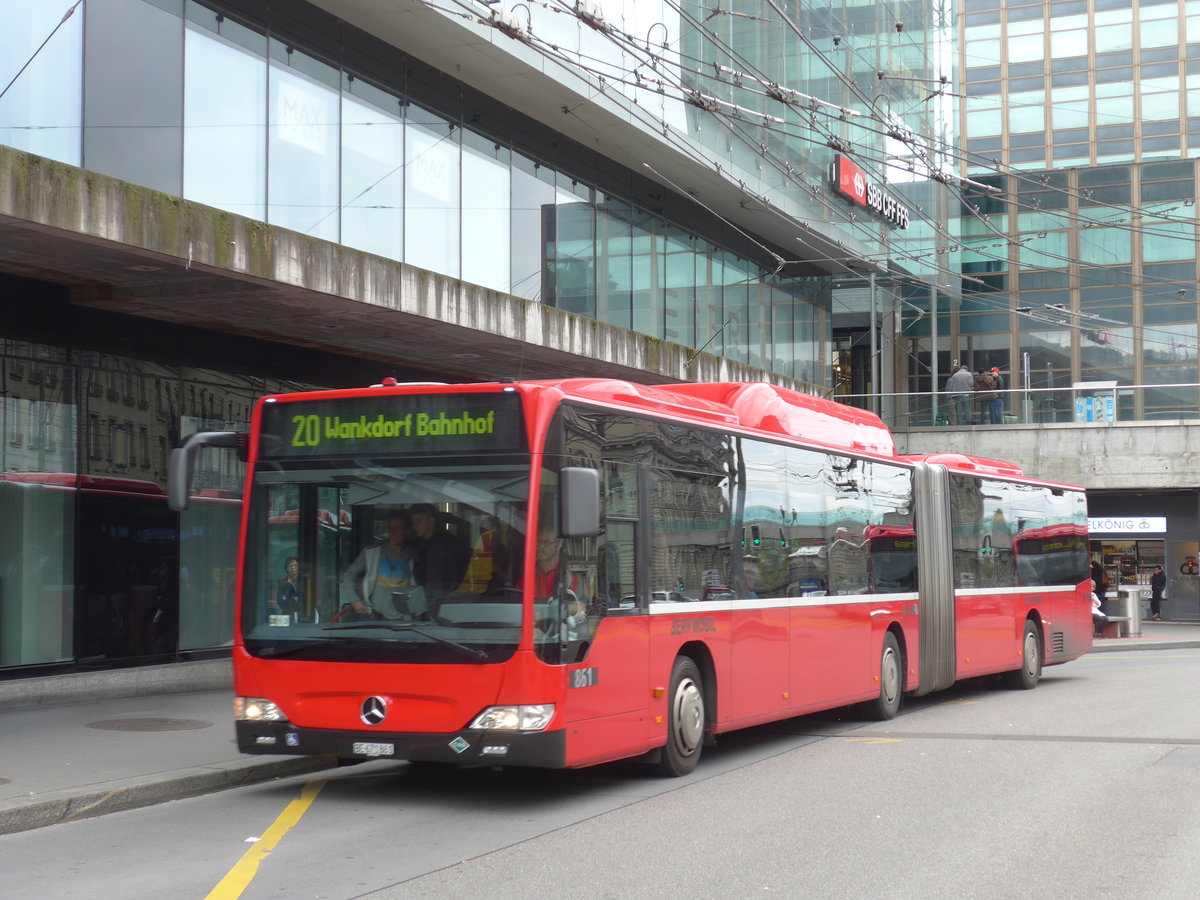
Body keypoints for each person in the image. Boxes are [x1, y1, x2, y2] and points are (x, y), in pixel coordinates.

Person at [339, 512, 421, 620]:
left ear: (407, 530)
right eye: (390, 528)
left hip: (402, 620)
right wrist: (355, 601)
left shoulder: (413, 556)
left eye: (397, 528)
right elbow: (348, 576)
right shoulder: (372, 553)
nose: (392, 532)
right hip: (374, 617)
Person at [408, 503, 471, 610]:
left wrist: (429, 613)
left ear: (431, 521)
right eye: (413, 522)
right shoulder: (422, 545)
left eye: (418, 521)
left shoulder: (439, 549)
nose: (414, 526)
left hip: (438, 608)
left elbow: (436, 587)